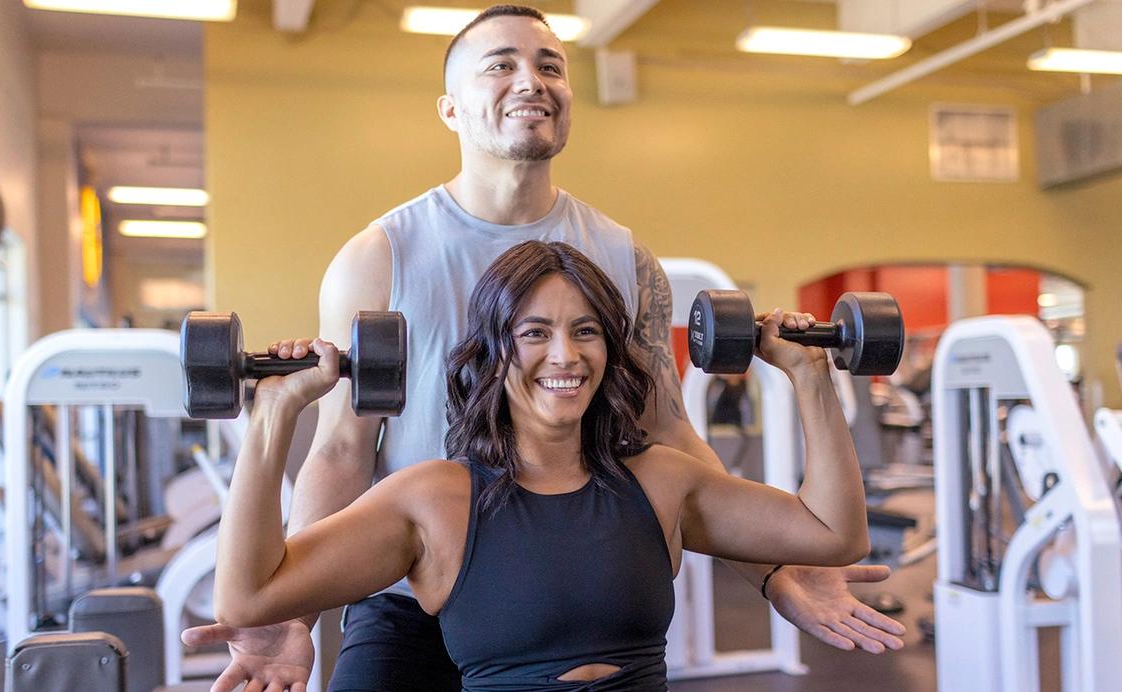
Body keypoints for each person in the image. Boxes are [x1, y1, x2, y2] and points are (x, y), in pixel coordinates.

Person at [183, 5, 906, 691]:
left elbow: (668, 432)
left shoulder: (623, 257)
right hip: (411, 583)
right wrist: (294, 606)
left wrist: (778, 566)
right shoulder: (380, 257)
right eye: (500, 65)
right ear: (451, 108)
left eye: (551, 66)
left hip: (565, 584)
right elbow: (343, 450)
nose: (532, 80)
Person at [213, 240, 871, 691]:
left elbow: (834, 535)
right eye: (535, 333)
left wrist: (810, 375)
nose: (565, 356)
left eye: (586, 331)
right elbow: (249, 596)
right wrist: (272, 416)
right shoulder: (433, 500)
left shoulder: (660, 480)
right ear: (494, 352)